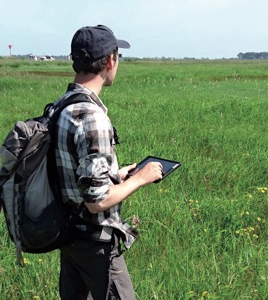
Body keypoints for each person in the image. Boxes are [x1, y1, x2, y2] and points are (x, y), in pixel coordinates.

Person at [52, 25, 163, 300]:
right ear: (110, 60)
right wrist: (140, 178)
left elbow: (76, 173)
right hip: (95, 242)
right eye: (118, 57)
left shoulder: (61, 106)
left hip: (69, 236)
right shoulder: (93, 118)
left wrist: (117, 174)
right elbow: (96, 201)